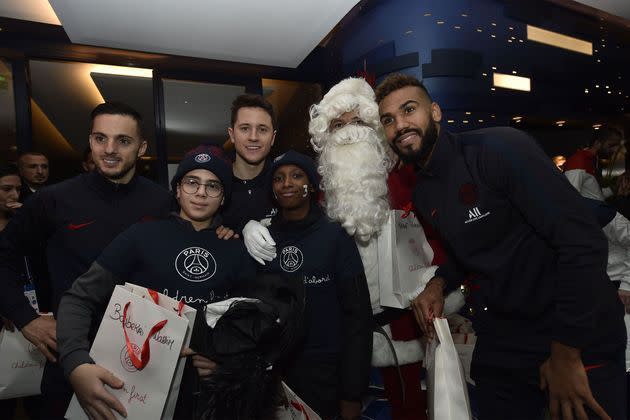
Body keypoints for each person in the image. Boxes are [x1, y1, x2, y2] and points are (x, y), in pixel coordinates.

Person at [375, 73, 627, 420]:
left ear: (435, 112)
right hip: (507, 341)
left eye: (409, 109)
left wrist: (567, 353)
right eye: (388, 119)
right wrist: (439, 282)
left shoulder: (498, 149)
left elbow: (582, 240)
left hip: (574, 331)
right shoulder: (423, 192)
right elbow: (470, 252)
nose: (400, 124)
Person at [0, 101, 172, 419]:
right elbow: (4, 256)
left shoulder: (163, 203)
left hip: (145, 360)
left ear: (142, 147)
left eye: (123, 140)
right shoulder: (52, 200)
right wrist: (25, 318)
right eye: (100, 138)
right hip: (69, 355)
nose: (109, 149)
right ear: (90, 140)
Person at [57, 147, 257, 419]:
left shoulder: (235, 249)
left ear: (223, 198)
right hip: (134, 387)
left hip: (208, 401)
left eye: (213, 186)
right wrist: (76, 363)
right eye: (191, 183)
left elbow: (253, 323)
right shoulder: (142, 236)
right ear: (177, 190)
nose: (200, 193)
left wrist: (231, 361)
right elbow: (79, 298)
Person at [259, 150, 372, 419]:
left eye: (297, 176)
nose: (287, 183)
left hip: (326, 374)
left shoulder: (335, 237)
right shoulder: (264, 238)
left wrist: (352, 395)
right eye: (278, 178)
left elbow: (358, 318)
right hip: (274, 375)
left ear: (310, 185)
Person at [221, 94, 278, 232]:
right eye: (245, 128)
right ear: (232, 135)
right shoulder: (215, 184)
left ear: (273, 138)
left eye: (262, 129)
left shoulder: (284, 183)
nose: (253, 137)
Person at [564, 125, 624, 200]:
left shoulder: (593, 160)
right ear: (597, 143)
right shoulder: (579, 161)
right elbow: (570, 198)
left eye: (617, 146)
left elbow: (594, 195)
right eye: (611, 145)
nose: (615, 150)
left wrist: (614, 187)